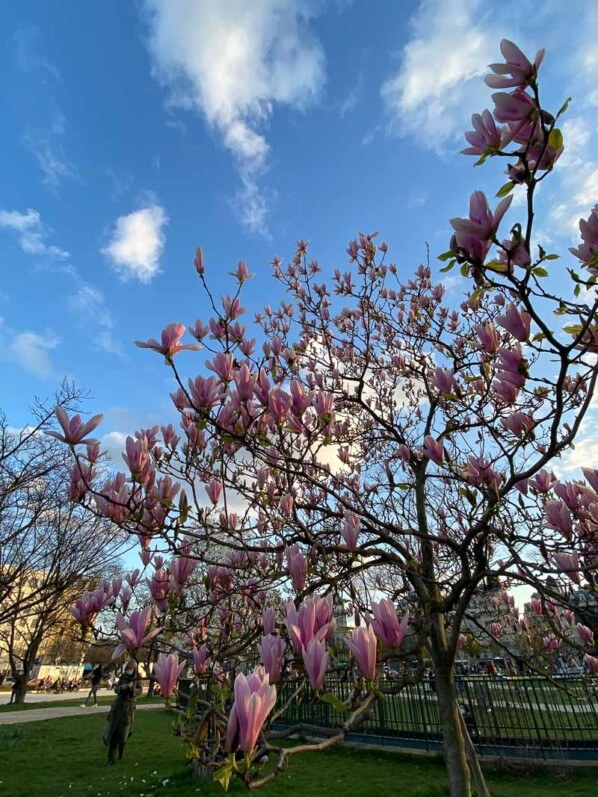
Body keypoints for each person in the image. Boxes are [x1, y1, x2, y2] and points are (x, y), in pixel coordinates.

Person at [103, 660, 142, 765]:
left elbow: (140, 690)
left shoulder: (138, 677)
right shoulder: (123, 676)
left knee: (123, 734)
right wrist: (123, 687)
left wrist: (133, 689)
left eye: (131, 667)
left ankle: (121, 752)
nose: (129, 669)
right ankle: (111, 758)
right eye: (128, 667)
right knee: (114, 733)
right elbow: (116, 689)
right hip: (118, 706)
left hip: (128, 708)